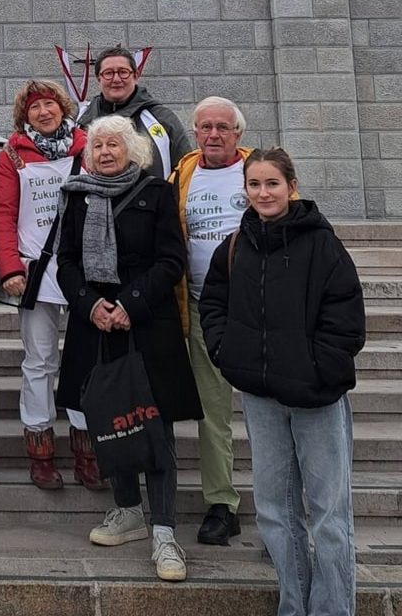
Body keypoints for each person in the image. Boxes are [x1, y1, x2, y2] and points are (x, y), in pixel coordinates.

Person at [200, 148, 365, 616]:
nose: (263, 193)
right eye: (254, 184)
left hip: (317, 399)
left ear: (291, 186)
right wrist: (227, 353)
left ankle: (333, 609)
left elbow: (347, 316)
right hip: (262, 398)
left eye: (272, 183)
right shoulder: (234, 246)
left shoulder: (322, 244)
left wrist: (319, 370)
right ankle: (294, 606)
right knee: (275, 512)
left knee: (330, 517)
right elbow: (212, 305)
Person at [56, 115, 202, 582]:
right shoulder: (76, 195)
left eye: (113, 144)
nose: (104, 151)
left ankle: (163, 531)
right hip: (94, 324)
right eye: (97, 144)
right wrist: (90, 304)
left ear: (133, 150)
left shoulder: (156, 192)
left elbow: (170, 259)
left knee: (153, 426)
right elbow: (66, 261)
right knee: (107, 417)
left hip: (145, 324)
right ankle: (127, 511)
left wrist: (128, 304)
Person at [0, 80, 106, 491]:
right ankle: (40, 450)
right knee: (39, 361)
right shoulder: (12, 155)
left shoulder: (89, 147)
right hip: (35, 269)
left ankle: (87, 448)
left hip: (84, 269)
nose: (43, 111)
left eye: (49, 104)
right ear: (25, 114)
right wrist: (8, 269)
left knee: (85, 361)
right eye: (34, 106)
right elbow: (1, 213)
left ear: (63, 108)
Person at [169, 96, 251, 546]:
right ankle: (222, 503)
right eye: (205, 127)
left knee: (271, 410)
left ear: (238, 133)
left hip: (259, 310)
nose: (214, 135)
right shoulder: (183, 174)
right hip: (204, 307)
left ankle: (292, 503)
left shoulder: (258, 170)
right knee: (213, 411)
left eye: (223, 127)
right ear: (195, 132)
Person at [77, 46, 191, 181]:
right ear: (98, 78)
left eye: (123, 72)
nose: (116, 79)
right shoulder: (83, 121)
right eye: (108, 73)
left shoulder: (161, 118)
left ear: (136, 75)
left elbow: (185, 167)